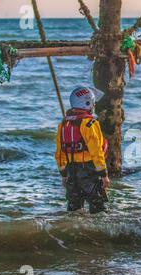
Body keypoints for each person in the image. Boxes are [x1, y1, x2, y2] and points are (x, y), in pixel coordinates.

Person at [55, 86, 110, 214]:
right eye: (92, 103)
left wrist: (64, 175)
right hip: (89, 171)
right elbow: (97, 152)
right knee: (98, 209)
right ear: (87, 103)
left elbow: (59, 153)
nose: (93, 105)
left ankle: (74, 231)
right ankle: (98, 233)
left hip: (71, 172)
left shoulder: (63, 124)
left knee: (74, 210)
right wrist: (104, 175)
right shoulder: (90, 124)